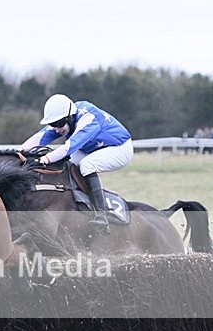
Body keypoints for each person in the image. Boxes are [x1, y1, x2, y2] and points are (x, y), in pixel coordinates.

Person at [19, 94, 133, 233]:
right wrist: (18, 152)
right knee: (66, 165)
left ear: (70, 117)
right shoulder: (65, 118)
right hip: (91, 148)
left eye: (59, 124)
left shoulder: (88, 118)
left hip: (119, 148)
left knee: (87, 165)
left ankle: (101, 215)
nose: (56, 129)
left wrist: (43, 160)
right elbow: (40, 137)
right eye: (52, 125)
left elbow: (69, 147)